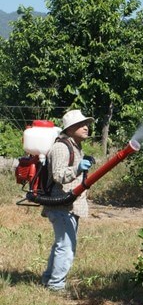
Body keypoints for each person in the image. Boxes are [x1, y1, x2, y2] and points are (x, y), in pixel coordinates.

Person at [41, 109, 94, 293]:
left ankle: (48, 279)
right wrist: (78, 169)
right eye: (81, 125)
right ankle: (56, 286)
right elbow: (58, 175)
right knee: (66, 246)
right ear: (70, 129)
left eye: (86, 124)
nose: (86, 127)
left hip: (69, 204)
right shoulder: (61, 147)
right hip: (61, 204)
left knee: (61, 244)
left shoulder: (76, 146)